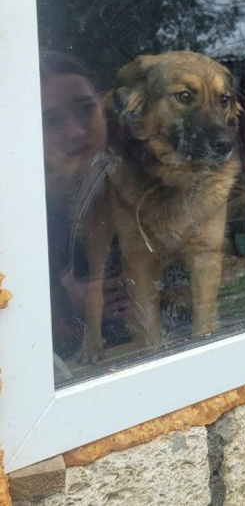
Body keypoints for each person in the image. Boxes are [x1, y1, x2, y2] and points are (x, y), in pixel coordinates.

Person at [39, 51, 129, 358]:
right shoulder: (22, 211)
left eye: (86, 109)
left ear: (103, 111)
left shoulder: (135, 187)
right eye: (51, 121)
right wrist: (61, 303)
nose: (76, 131)